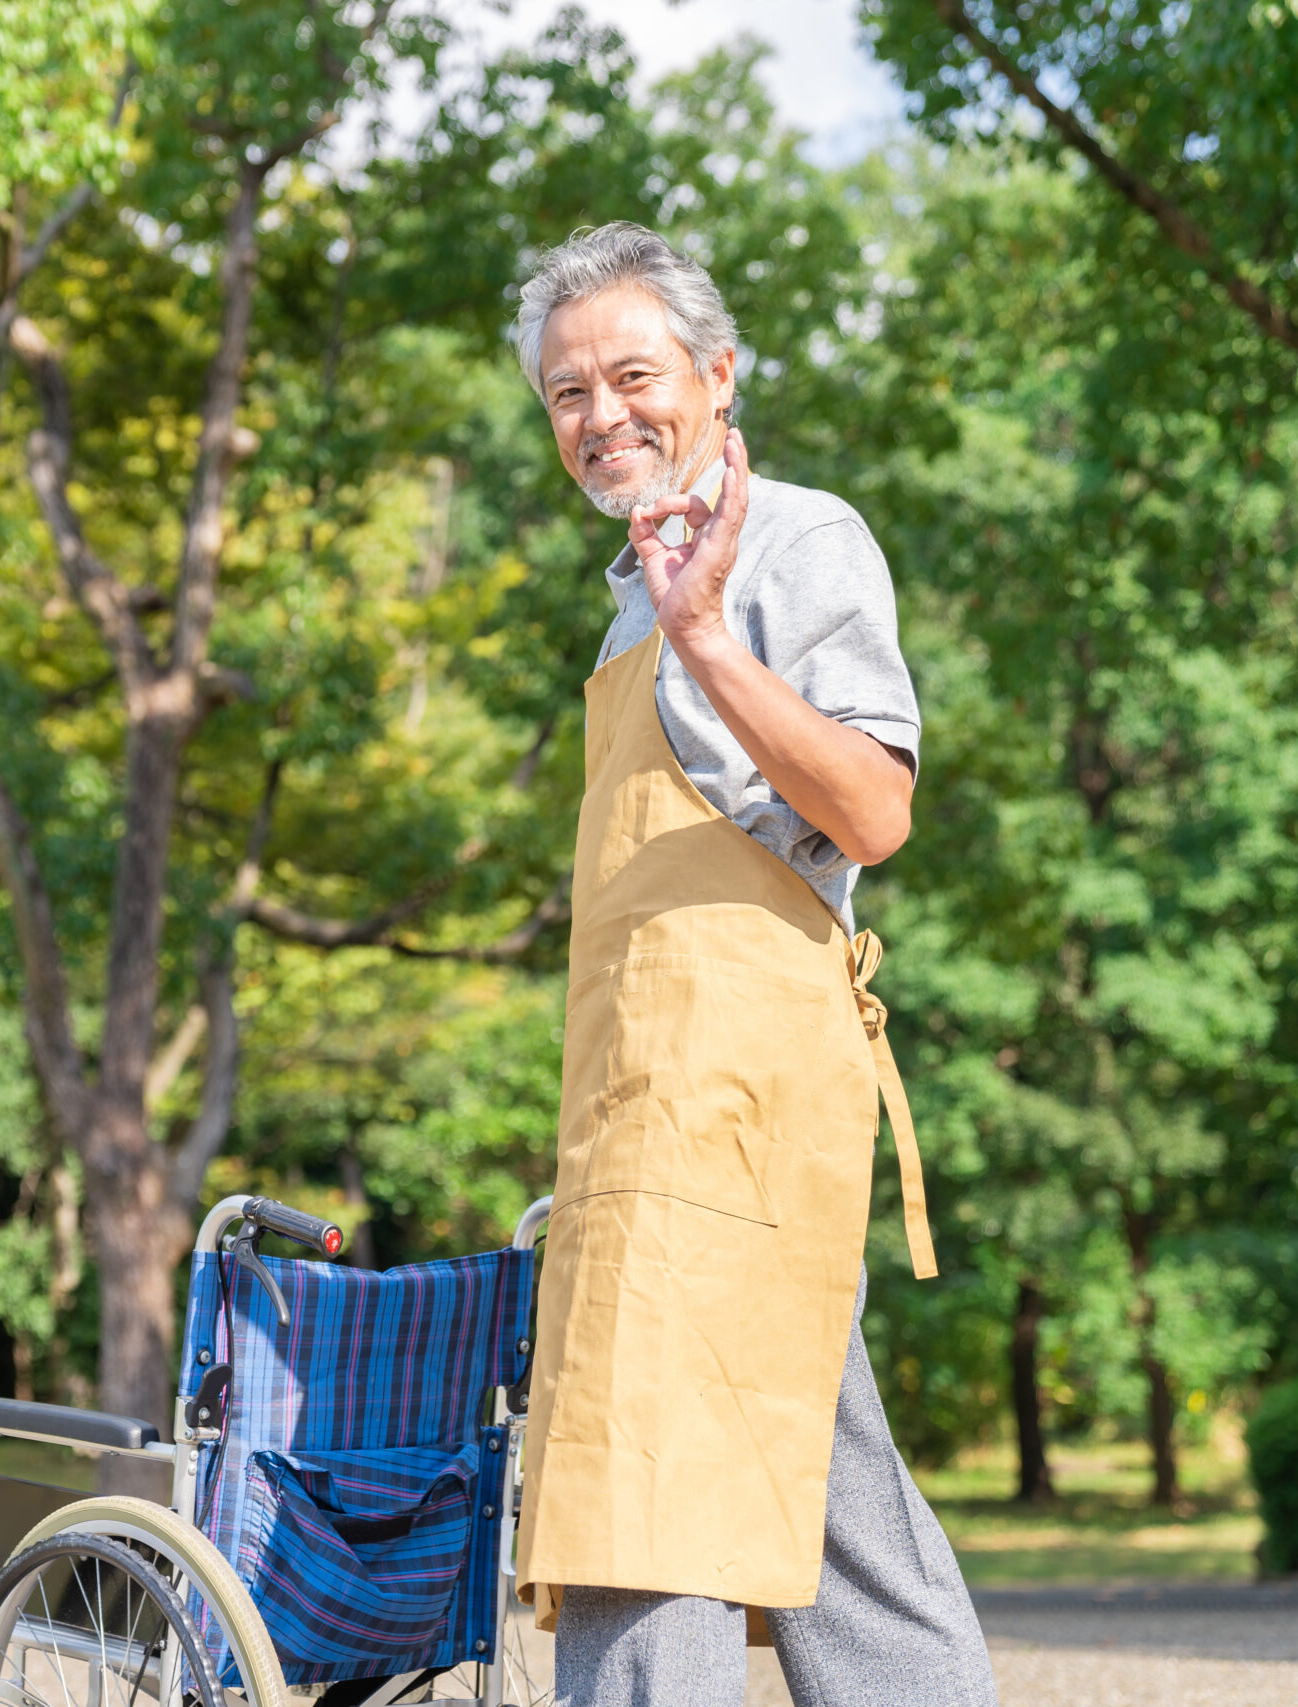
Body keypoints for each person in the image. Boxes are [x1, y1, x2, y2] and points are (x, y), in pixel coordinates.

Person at [508, 222, 1000, 1707]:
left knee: (643, 1499)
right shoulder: (626, 589)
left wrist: (710, 639)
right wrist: (669, 614)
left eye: (633, 376)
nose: (602, 417)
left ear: (719, 375)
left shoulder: (799, 540)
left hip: (739, 1104)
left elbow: (875, 807)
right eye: (566, 396)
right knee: (836, 1523)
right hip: (640, 1105)